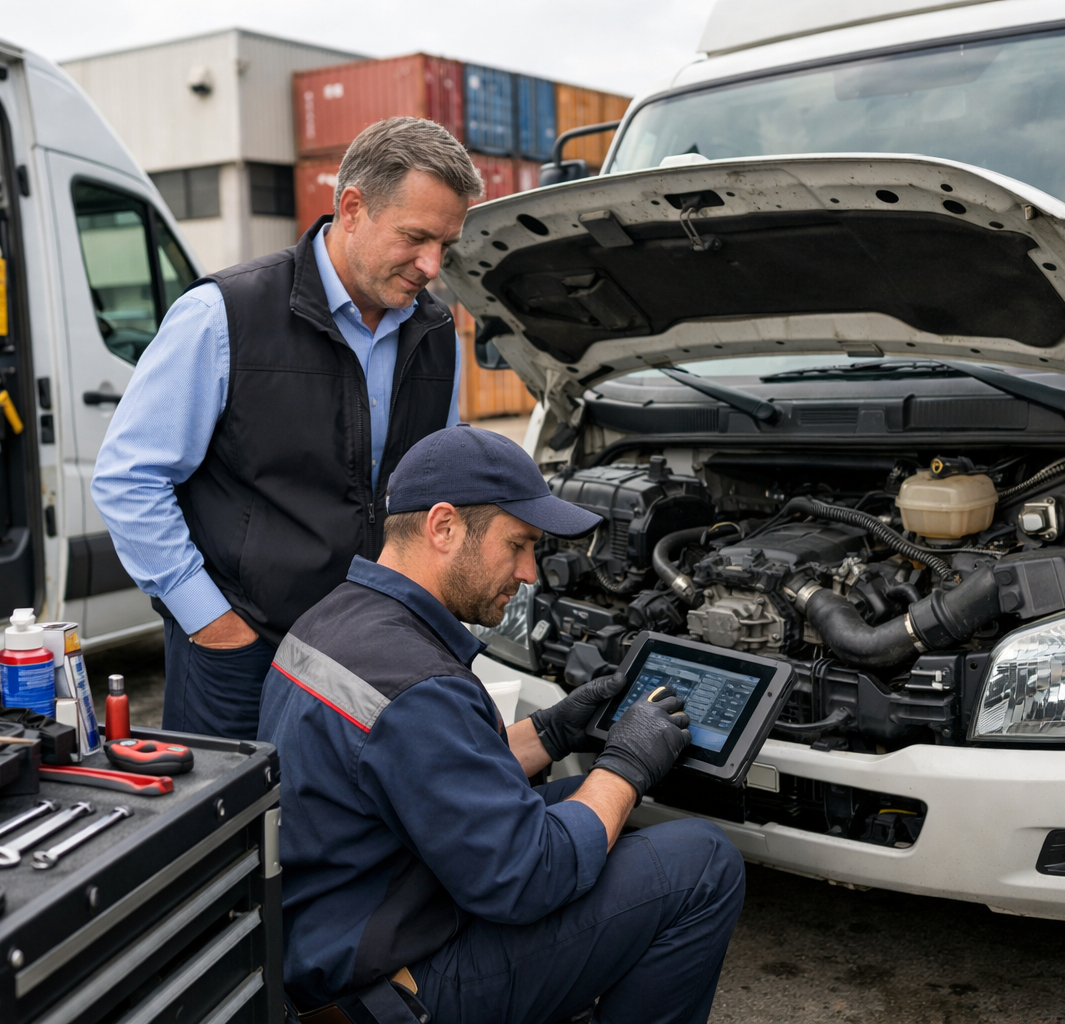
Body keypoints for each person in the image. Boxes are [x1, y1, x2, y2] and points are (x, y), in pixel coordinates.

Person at [261, 425, 747, 1024]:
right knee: (701, 861)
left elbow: (425, 775)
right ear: (444, 527)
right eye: (518, 544)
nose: (530, 573)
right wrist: (625, 765)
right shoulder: (417, 683)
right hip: (393, 995)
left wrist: (552, 731)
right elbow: (528, 877)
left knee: (578, 802)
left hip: (332, 935)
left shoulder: (333, 621)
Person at [91, 117, 482, 738]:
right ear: (352, 208)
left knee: (344, 832)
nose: (433, 265)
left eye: (446, 245)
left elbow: (435, 491)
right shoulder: (222, 315)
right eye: (416, 238)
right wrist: (212, 624)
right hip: (240, 654)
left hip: (371, 655)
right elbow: (128, 480)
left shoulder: (435, 335)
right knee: (238, 830)